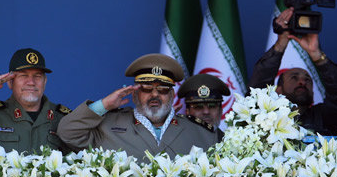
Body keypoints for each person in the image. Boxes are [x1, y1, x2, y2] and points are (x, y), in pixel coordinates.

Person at [57, 53, 217, 160]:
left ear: (172, 95)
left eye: (162, 89)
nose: (155, 94)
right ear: (134, 94)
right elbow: (67, 132)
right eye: (146, 88)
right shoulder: (107, 125)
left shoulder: (200, 132)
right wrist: (105, 105)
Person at [249, 7, 337, 135]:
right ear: (278, 89)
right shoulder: (265, 117)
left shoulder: (324, 118)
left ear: (313, 93)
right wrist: (280, 44)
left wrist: (317, 55)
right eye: (294, 77)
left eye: (308, 80)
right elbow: (257, 89)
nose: (302, 82)